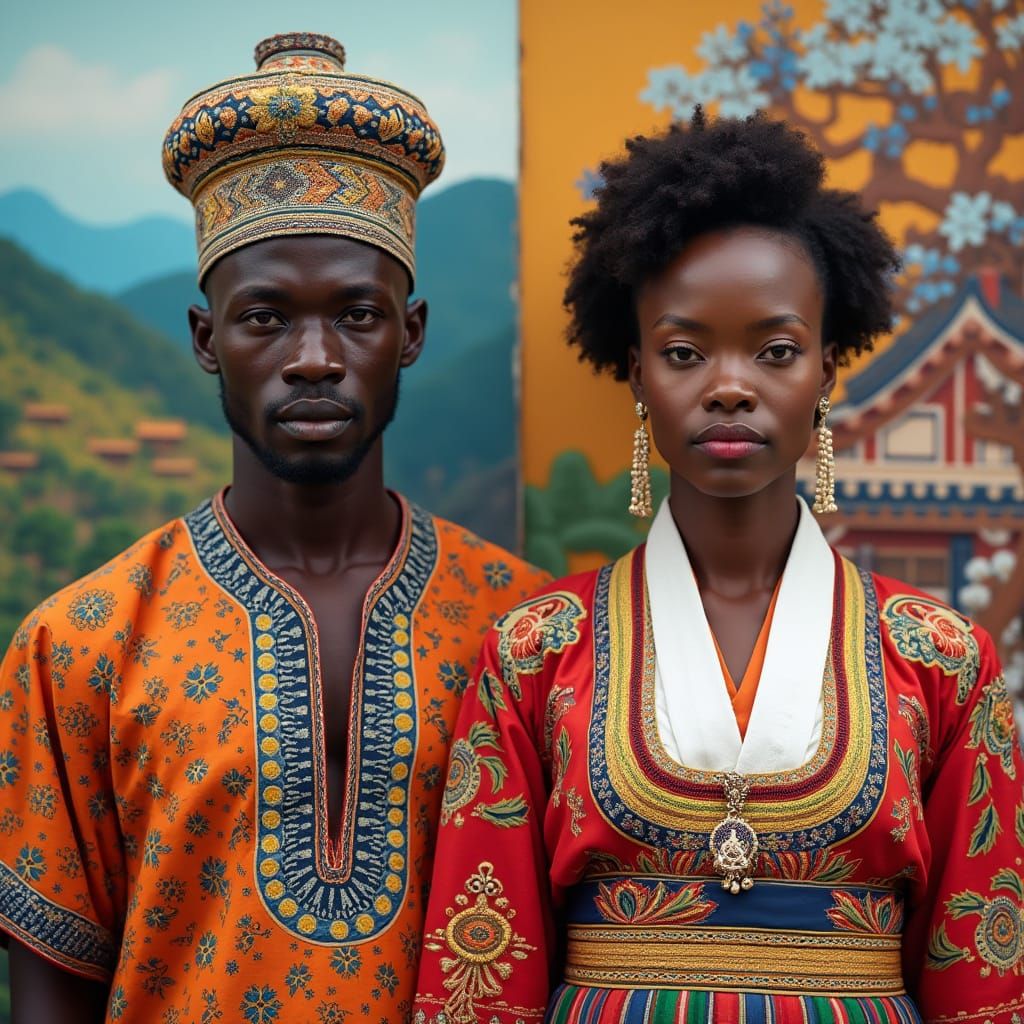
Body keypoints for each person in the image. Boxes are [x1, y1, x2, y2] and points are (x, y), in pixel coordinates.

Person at [413, 110, 1024, 1023]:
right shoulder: (535, 654)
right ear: (635, 373)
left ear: (828, 368)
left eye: (776, 351)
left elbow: (984, 974)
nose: (729, 384)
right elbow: (480, 971)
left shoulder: (940, 660)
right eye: (685, 352)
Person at [0, 33, 548, 1024]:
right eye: (264, 318)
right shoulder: (79, 645)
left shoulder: (525, 633)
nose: (313, 357)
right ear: (207, 339)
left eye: (355, 315)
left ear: (410, 333)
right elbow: (51, 992)